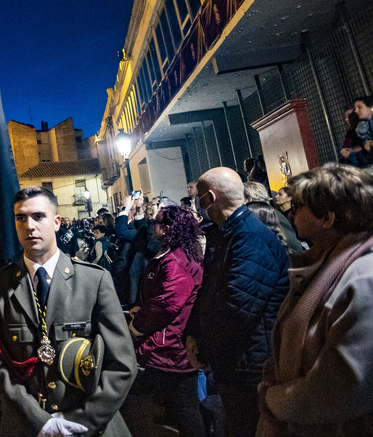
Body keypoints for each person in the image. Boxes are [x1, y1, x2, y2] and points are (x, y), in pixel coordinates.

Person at [0, 186, 136, 436]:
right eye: (21, 218)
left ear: (56, 222)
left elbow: (123, 364)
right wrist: (41, 422)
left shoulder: (93, 281)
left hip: (89, 425)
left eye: (38, 216)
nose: (29, 226)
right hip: (27, 425)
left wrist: (79, 421)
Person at [257, 163, 373, 435]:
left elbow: (341, 387)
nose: (291, 212)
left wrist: (274, 400)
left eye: (298, 206)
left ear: (327, 218)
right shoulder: (326, 263)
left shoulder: (363, 278)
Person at [186, 167, 288, 437]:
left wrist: (205, 349)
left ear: (209, 198)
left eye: (199, 197)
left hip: (249, 367)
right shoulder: (228, 235)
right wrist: (194, 333)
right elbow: (210, 292)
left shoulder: (249, 238)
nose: (197, 204)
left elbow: (238, 308)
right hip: (236, 363)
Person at [123, 205, 204, 436]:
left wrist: (136, 328)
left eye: (157, 222)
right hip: (171, 342)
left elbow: (166, 303)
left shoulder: (175, 260)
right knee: (182, 404)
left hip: (170, 344)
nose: (152, 226)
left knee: (185, 406)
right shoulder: (176, 253)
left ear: (168, 228)